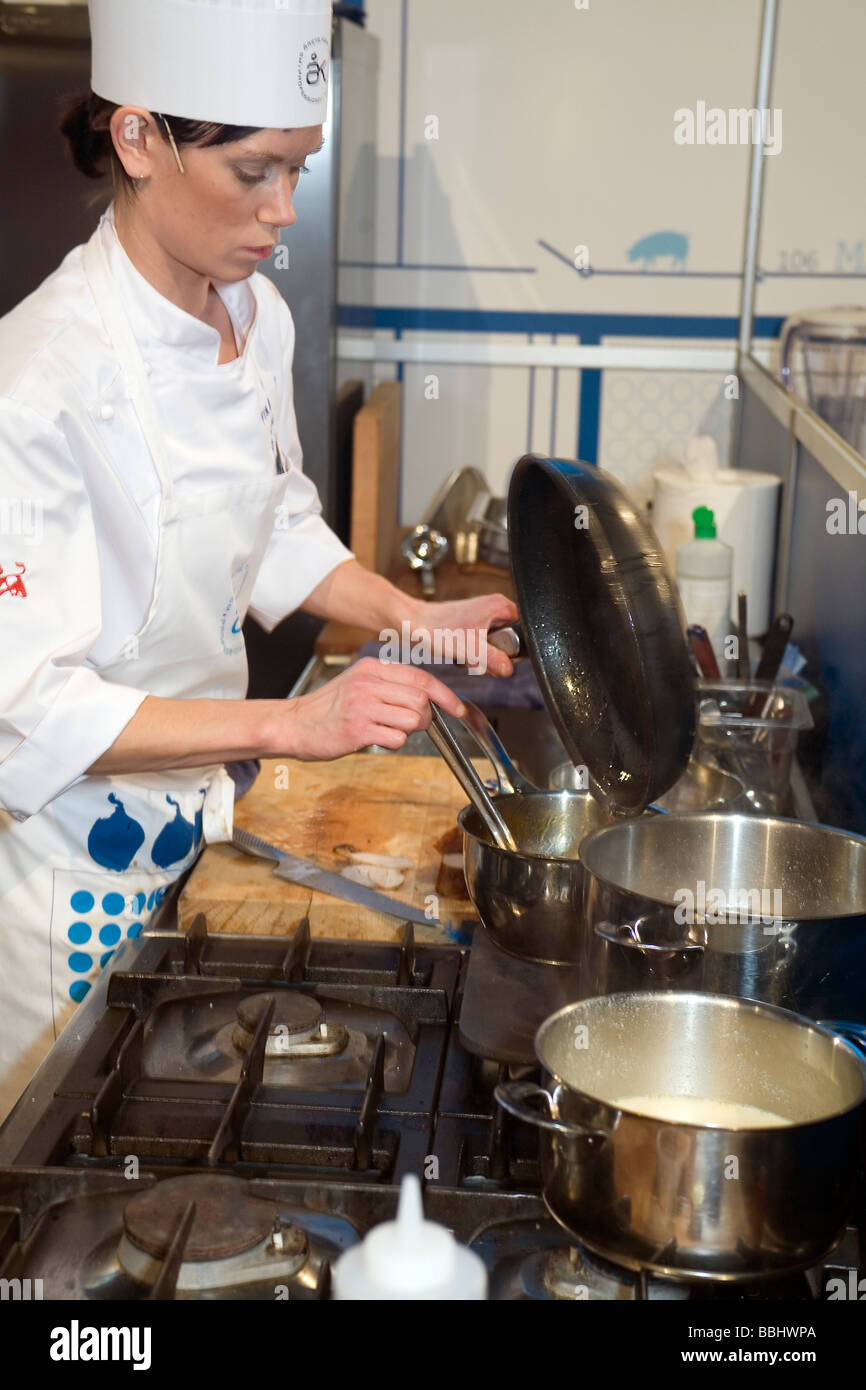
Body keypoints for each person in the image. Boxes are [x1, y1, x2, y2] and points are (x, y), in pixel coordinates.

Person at [0, 0, 517, 1120]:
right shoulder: (36, 384)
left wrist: (416, 619)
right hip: (75, 883)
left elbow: (273, 522)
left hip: (207, 831)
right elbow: (28, 710)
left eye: (298, 169)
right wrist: (289, 729)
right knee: (80, 1172)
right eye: (253, 172)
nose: (282, 212)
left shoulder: (254, 312)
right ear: (137, 141)